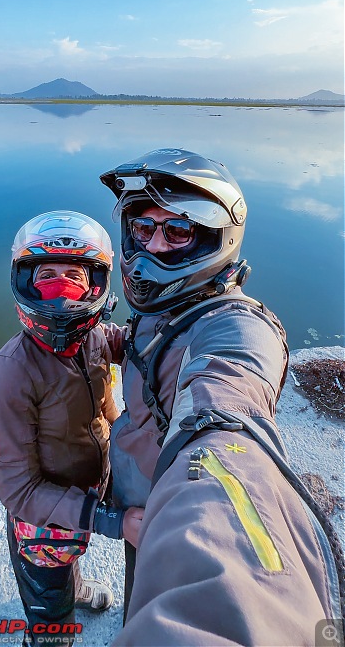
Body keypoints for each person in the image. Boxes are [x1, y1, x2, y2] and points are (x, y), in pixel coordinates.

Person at [99, 149, 343, 646]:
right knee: (141, 595)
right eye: (142, 229)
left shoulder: (236, 327)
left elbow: (226, 410)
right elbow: (149, 345)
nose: (152, 247)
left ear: (216, 241)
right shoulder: (169, 306)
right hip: (143, 502)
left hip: (178, 507)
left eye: (177, 232)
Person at [0, 211, 142, 647]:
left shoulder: (96, 338)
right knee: (51, 624)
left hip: (91, 483)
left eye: (74, 274)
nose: (62, 287)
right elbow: (18, 491)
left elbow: (138, 342)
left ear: (95, 285)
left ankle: (74, 585)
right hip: (42, 525)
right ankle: (55, 610)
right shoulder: (9, 376)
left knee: (67, 563)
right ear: (27, 282)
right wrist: (109, 520)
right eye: (48, 274)